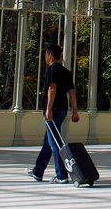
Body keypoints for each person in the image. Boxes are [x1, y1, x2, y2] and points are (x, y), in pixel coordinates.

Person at [25, 42, 79, 183]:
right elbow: (72, 93)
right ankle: (38, 172)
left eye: (45, 54)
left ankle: (61, 176)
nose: (45, 56)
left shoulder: (51, 69)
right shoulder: (66, 72)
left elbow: (52, 89)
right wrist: (75, 111)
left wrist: (48, 109)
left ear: (49, 54)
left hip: (53, 110)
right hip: (62, 110)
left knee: (54, 143)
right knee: (48, 142)